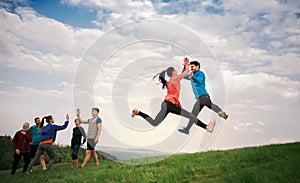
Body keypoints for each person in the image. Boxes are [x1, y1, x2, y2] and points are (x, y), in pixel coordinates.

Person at [131, 58, 216, 132]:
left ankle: (138, 112)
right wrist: (186, 63)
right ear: (173, 73)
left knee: (155, 123)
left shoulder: (169, 82)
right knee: (191, 116)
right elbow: (186, 71)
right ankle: (207, 127)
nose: (177, 71)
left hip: (166, 105)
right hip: (169, 105)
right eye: (175, 70)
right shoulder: (175, 79)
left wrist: (185, 65)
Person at [178, 60, 228, 135]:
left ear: (197, 67)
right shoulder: (191, 75)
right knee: (194, 115)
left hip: (203, 95)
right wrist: (185, 65)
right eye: (190, 67)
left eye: (192, 66)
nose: (191, 68)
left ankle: (220, 112)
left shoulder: (200, 73)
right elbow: (183, 75)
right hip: (200, 98)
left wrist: (193, 77)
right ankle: (187, 129)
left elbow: (199, 80)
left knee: (207, 105)